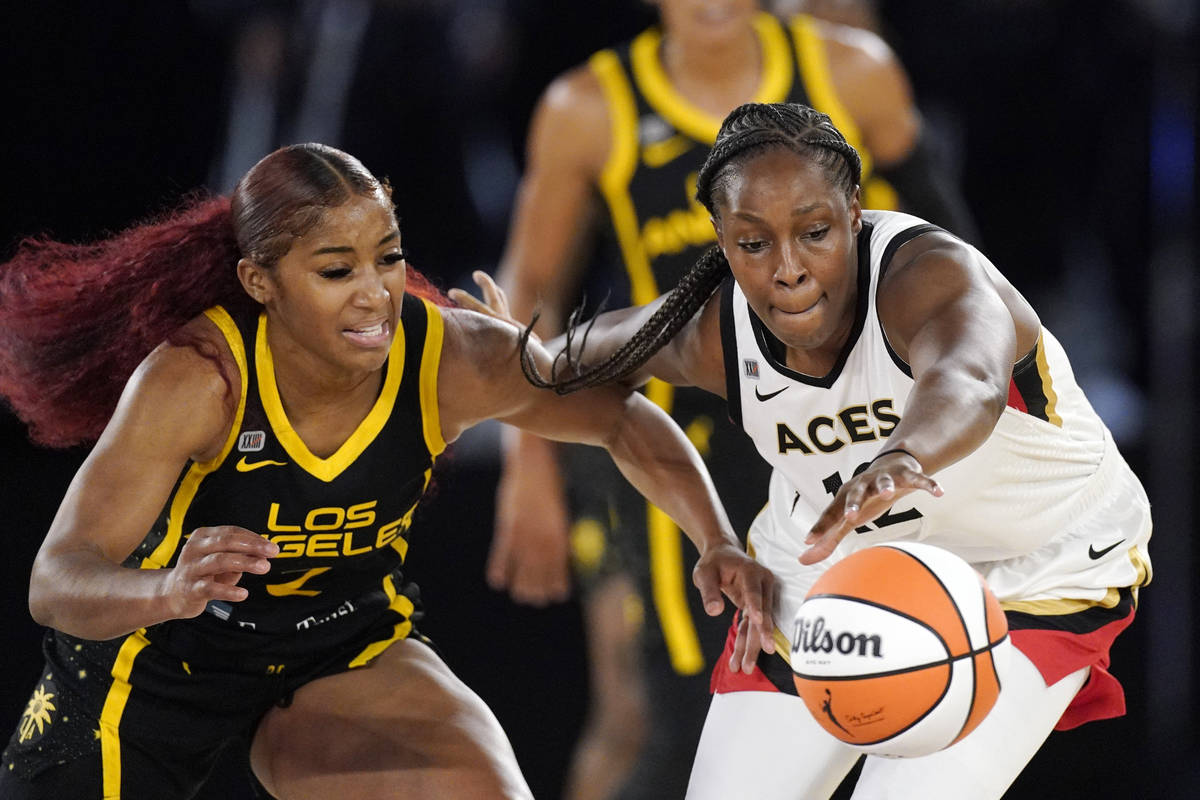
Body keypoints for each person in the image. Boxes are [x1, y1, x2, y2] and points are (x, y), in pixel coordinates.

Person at [0, 143, 776, 800]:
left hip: (336, 649)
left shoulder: (451, 357)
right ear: (258, 283)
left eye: (390, 257)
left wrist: (714, 537)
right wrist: (165, 589)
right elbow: (57, 581)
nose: (376, 293)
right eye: (337, 270)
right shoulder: (199, 379)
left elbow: (620, 418)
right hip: (158, 663)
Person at [452, 102, 1152, 799]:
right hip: (830, 563)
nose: (788, 269)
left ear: (853, 212)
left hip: (1032, 567)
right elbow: (577, 386)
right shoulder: (707, 333)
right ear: (723, 242)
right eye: (754, 244)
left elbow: (968, 382)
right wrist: (713, 537)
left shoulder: (926, 276)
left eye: (814, 232)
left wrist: (902, 457)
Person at [488, 2, 978, 797]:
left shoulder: (850, 71)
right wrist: (526, 461)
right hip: (684, 439)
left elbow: (954, 253)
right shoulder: (590, 107)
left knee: (892, 679)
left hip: (854, 423)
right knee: (660, 713)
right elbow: (532, 286)